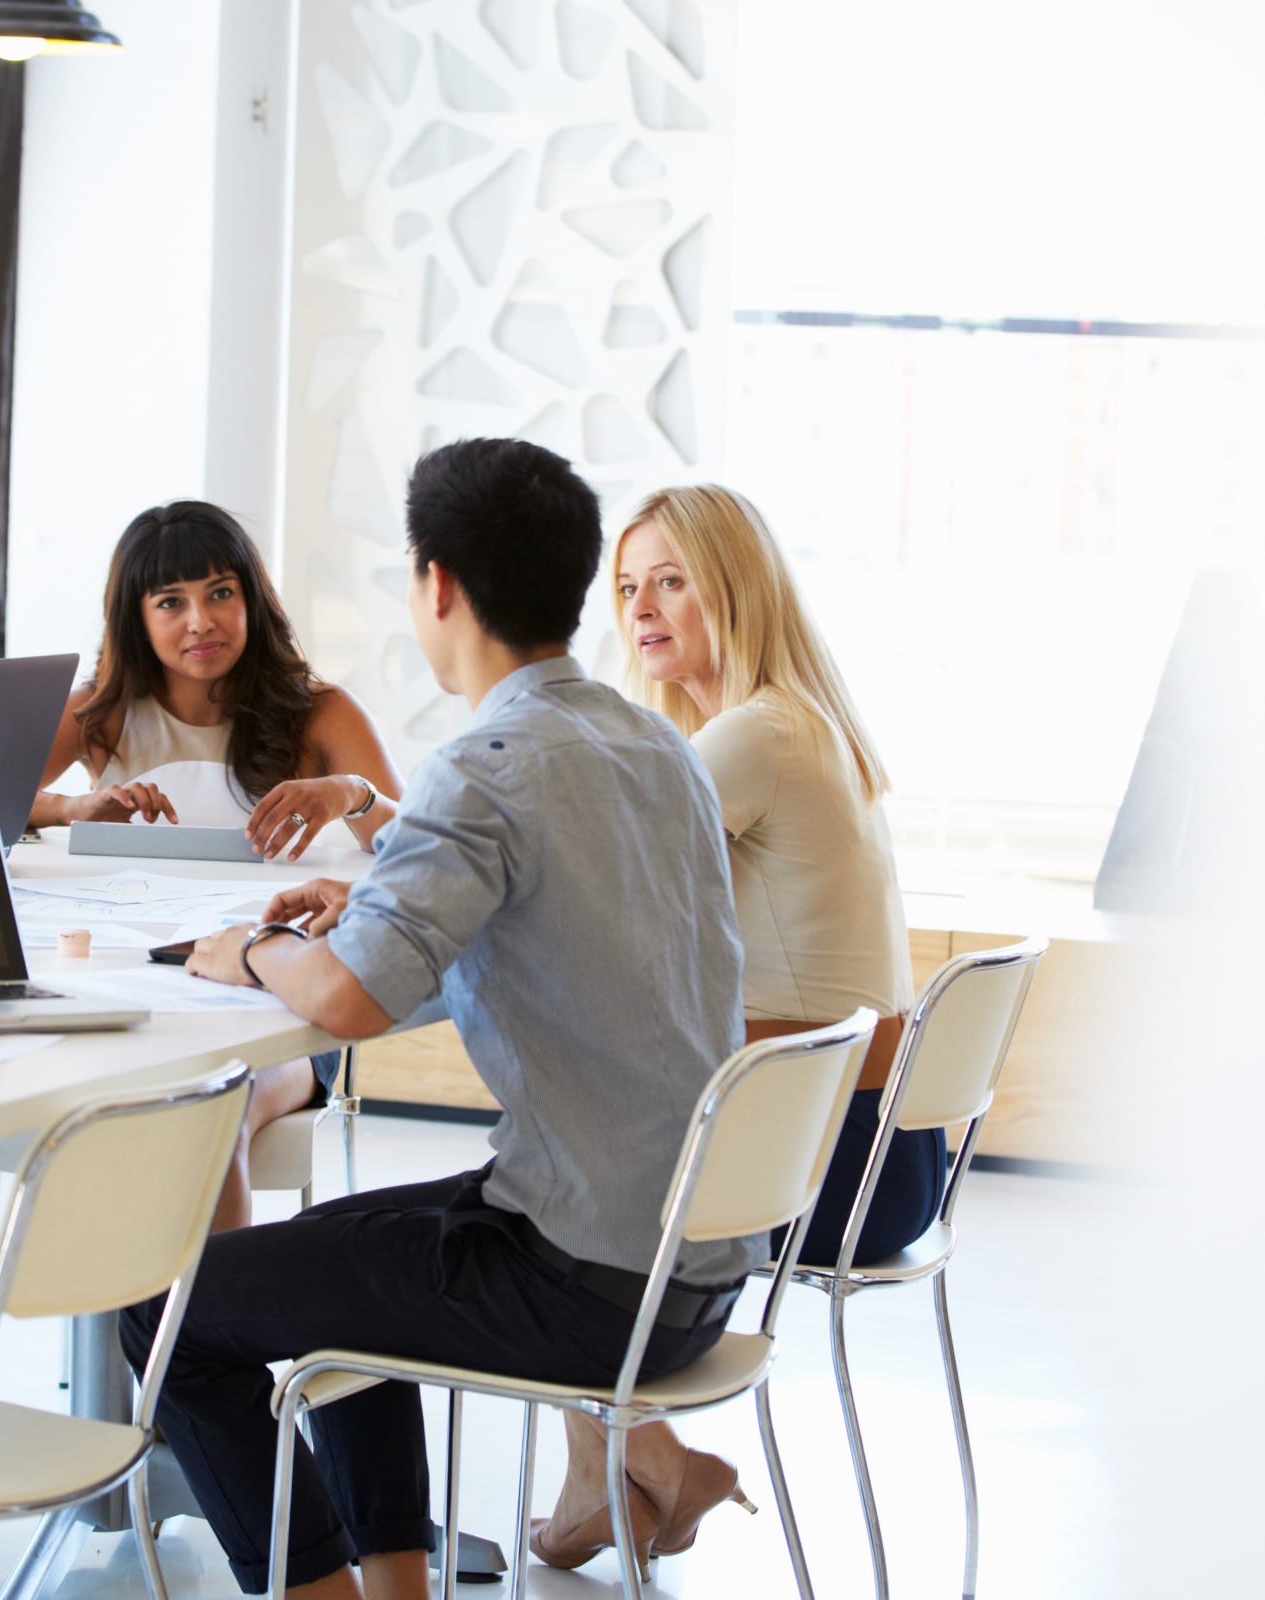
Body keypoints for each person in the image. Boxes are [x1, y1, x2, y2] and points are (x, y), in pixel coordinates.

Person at [117, 438, 751, 1600]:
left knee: (169, 1321)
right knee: (348, 1265)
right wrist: (370, 892)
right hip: (695, 1265)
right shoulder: (654, 743)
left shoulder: (490, 761)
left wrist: (251, 949)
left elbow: (350, 1000)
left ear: (438, 584)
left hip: (582, 1277)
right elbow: (557, 897)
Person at [531, 482, 945, 1569]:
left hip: (837, 1168)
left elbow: (572, 866)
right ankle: (622, 1467)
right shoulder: (793, 722)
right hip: (889, 1156)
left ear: (736, 587)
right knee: (587, 1131)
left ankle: (640, 1462)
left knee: (556, 1173)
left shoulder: (756, 736)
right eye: (627, 586)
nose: (642, 607)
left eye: (672, 579)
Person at [27, 500, 404, 1228]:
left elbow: (415, 852)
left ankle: (201, 1338)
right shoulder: (99, 713)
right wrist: (71, 810)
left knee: (207, 1113)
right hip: (133, 989)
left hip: (283, 1001)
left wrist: (351, 795)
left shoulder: (321, 713)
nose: (200, 621)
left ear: (251, 601)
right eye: (171, 601)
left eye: (220, 593)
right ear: (136, 617)